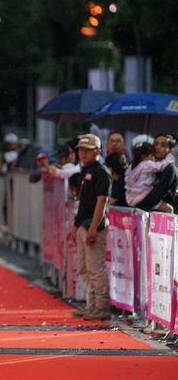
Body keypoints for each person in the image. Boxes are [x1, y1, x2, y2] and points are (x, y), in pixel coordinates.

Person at [71, 134, 112, 321]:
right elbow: (82, 203)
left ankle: (102, 307)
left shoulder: (101, 172)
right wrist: (76, 225)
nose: (83, 153)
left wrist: (94, 227)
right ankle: (91, 305)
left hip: (94, 226)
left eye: (88, 150)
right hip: (83, 224)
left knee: (95, 268)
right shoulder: (85, 171)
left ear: (97, 151)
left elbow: (102, 201)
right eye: (81, 149)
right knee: (83, 267)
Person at [124, 141, 174, 213]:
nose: (153, 158)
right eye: (152, 155)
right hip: (143, 195)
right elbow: (161, 166)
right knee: (169, 209)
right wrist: (169, 156)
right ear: (143, 156)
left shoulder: (131, 167)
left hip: (130, 198)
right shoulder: (146, 164)